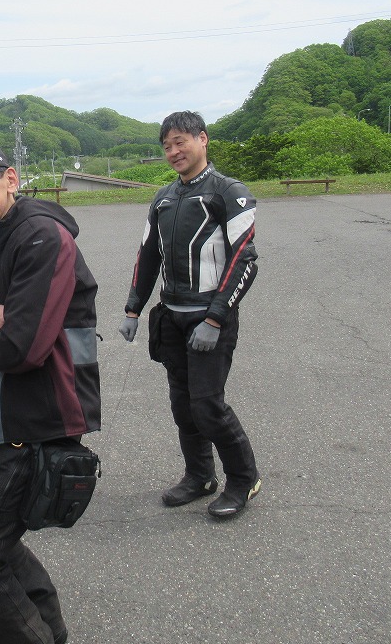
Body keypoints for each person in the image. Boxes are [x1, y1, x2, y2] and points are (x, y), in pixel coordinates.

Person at [0, 138, 101, 644]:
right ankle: (46, 628)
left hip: (40, 415)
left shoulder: (40, 237)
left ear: (10, 179)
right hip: (3, 413)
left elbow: (20, 348)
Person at [119, 110, 261, 519]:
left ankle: (244, 479)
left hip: (208, 318)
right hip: (172, 317)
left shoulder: (228, 192)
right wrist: (133, 308)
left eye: (180, 142)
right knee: (183, 406)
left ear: (203, 139)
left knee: (208, 406)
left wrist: (215, 319)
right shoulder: (163, 198)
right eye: (167, 146)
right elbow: (148, 255)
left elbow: (244, 260)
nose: (174, 151)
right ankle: (200, 476)